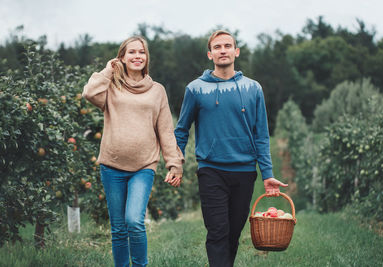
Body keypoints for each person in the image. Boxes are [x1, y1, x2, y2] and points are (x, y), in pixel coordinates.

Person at [174, 30, 288, 267]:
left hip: (244, 171)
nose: (223, 50)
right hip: (210, 169)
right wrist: (176, 163)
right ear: (210, 54)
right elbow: (182, 130)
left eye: (228, 46)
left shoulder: (253, 88)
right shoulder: (195, 89)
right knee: (217, 231)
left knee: (233, 233)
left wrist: (267, 174)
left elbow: (261, 135)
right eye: (217, 47)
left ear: (236, 52)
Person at [82, 36, 183, 267]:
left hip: (143, 166)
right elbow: (89, 93)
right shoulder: (112, 87)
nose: (137, 56)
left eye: (142, 52)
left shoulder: (157, 91)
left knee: (134, 221)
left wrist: (174, 163)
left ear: (147, 58)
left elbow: (166, 130)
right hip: (111, 166)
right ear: (122, 57)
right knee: (118, 229)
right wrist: (108, 70)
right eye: (132, 52)